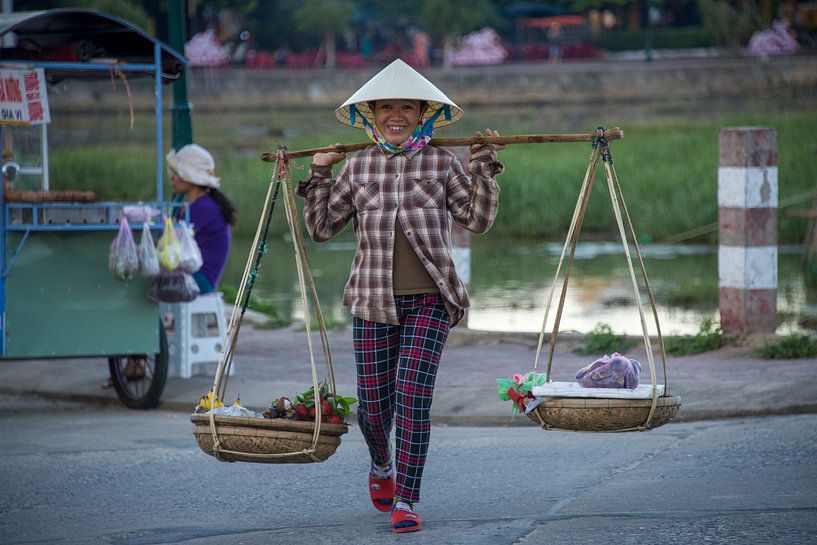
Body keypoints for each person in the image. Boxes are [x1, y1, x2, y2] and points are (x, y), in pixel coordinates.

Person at [296, 59, 503, 534]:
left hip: (432, 300)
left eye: (406, 107)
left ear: (421, 113)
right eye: (386, 106)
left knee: (412, 397)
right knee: (373, 406)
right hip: (371, 302)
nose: (396, 114)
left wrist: (483, 165)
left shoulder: (441, 162)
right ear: (371, 115)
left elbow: (477, 219)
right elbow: (322, 229)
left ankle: (407, 498)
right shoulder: (359, 165)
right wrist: (320, 174)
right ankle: (381, 462)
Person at [166, 143, 236, 295]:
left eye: (176, 173)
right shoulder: (188, 204)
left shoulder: (203, 207)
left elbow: (172, 243)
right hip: (190, 274)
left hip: (200, 279)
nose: (172, 178)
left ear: (189, 176)